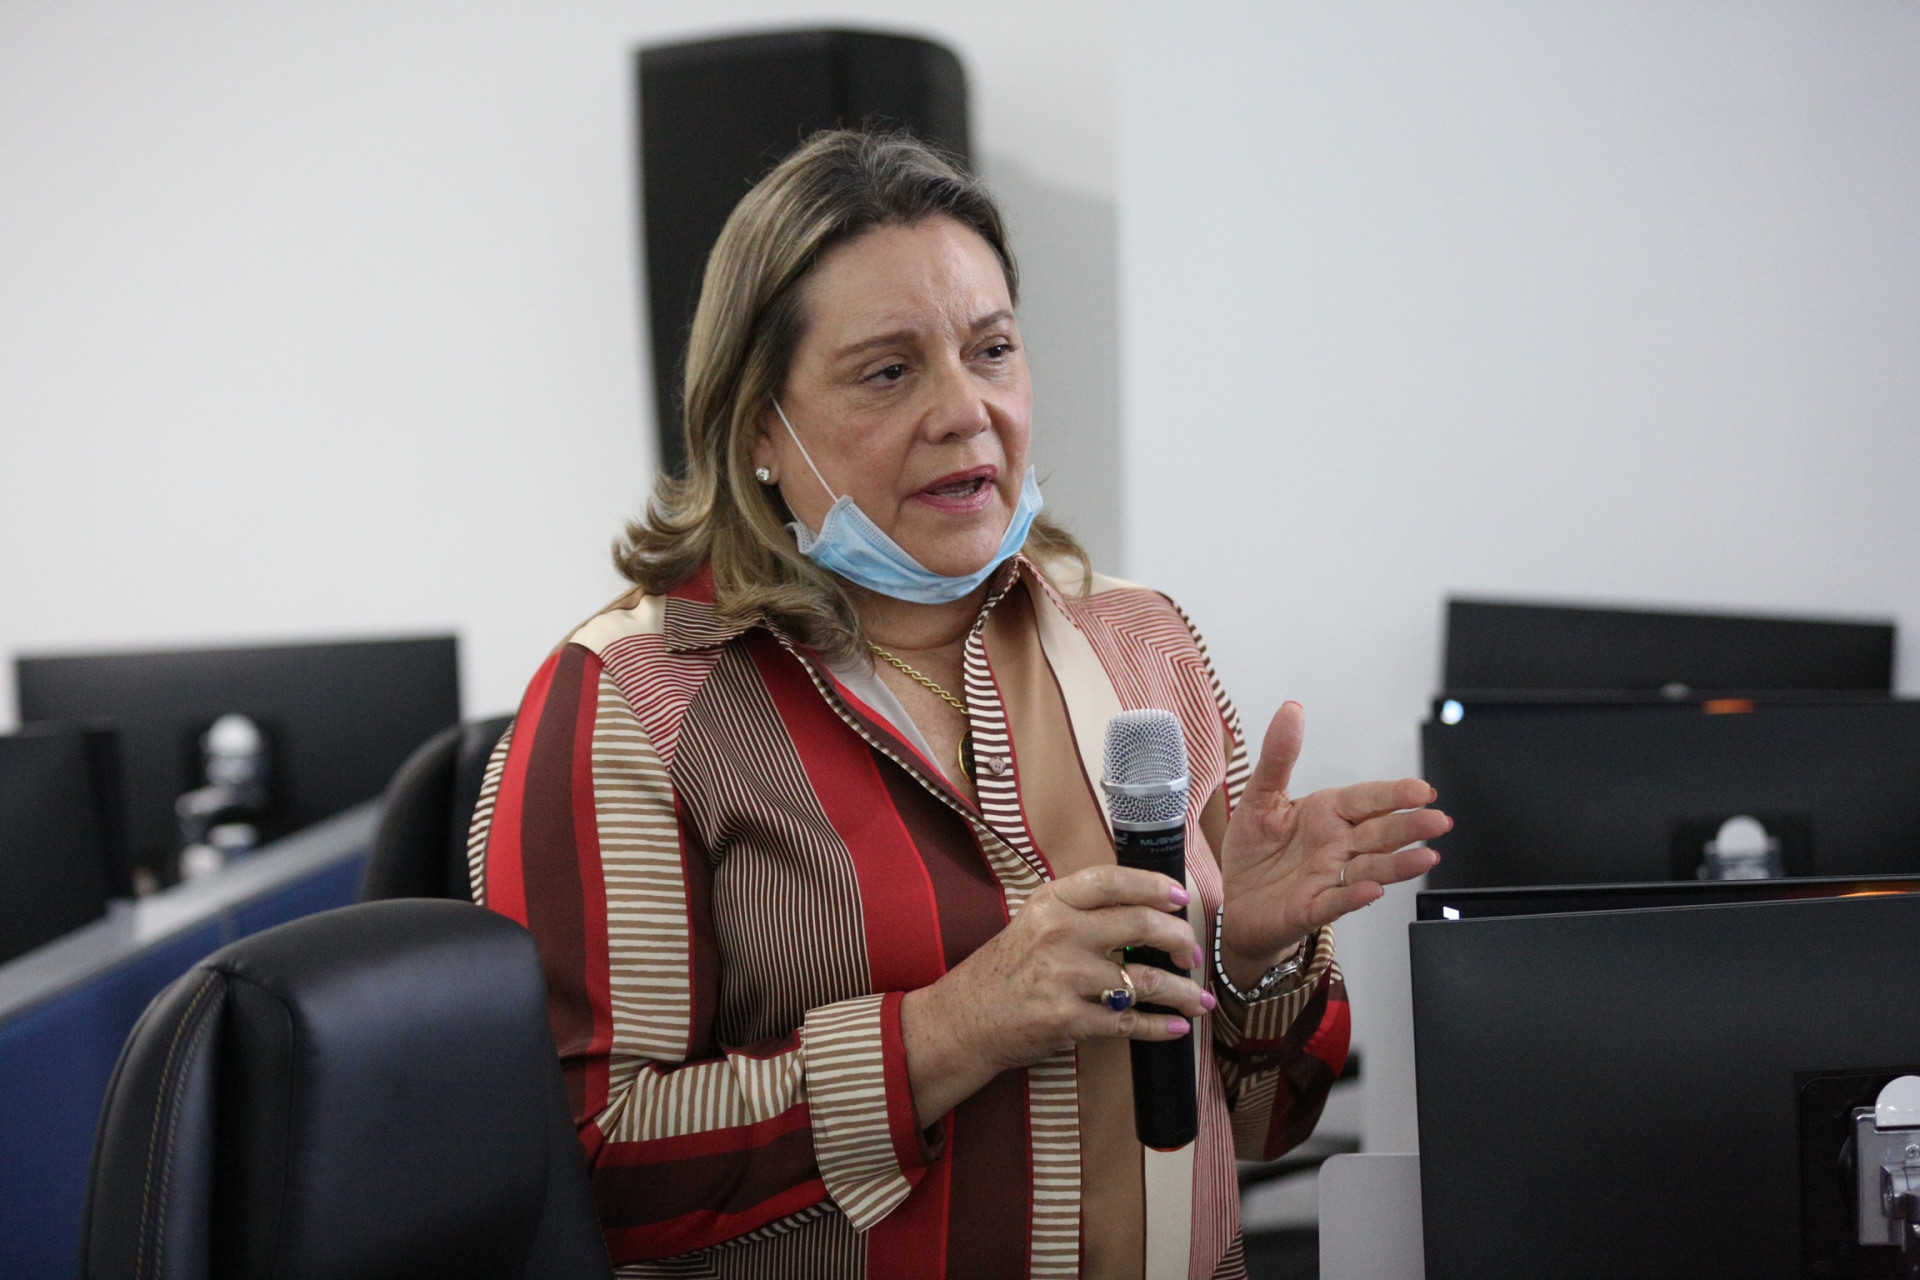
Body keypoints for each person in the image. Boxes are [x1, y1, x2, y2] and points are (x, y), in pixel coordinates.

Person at [469, 129, 1448, 1280]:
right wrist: (952, 1027)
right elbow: (580, 1163)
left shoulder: (1139, 639)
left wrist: (1257, 957)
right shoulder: (631, 697)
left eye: (992, 350)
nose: (965, 409)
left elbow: (1270, 1122)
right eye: (889, 371)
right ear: (758, 427)